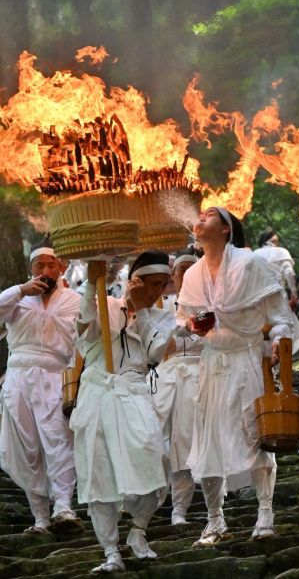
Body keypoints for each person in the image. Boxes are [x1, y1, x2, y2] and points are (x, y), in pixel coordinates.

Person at [177, 207, 295, 546]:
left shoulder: (250, 263)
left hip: (246, 358)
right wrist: (192, 326)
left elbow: (279, 315)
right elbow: (181, 324)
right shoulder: (192, 275)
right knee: (208, 440)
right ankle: (215, 519)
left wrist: (279, 345)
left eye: (209, 215)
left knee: (255, 433)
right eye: (198, 215)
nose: (199, 219)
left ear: (226, 229)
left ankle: (266, 512)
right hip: (212, 364)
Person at [71, 250, 177, 573]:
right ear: (136, 281)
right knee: (98, 470)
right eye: (155, 284)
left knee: (155, 459)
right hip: (98, 392)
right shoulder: (104, 304)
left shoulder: (160, 315)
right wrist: (92, 283)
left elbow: (158, 352)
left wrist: (143, 311)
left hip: (134, 393)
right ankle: (109, 550)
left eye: (165, 285)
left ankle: (138, 531)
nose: (160, 291)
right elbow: (85, 327)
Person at [0, 237, 81, 533]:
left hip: (55, 377)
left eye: (51, 264)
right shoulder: (16, 298)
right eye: (39, 266)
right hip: (19, 377)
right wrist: (21, 290)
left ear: (61, 267)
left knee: (58, 441)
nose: (46, 270)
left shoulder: (74, 300)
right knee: (28, 447)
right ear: (31, 268)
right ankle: (40, 519)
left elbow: (86, 338)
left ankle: (63, 506)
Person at [153, 247, 203, 525]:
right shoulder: (159, 305)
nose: (186, 275)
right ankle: (149, 499)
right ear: (172, 274)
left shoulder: (210, 302)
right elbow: (155, 345)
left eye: (191, 269)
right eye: (181, 270)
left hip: (200, 374)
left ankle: (182, 509)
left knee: (189, 442)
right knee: (160, 440)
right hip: (164, 377)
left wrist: (181, 342)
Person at [254, 229, 299, 354]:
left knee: (262, 331)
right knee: (283, 328)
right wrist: (294, 293)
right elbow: (289, 273)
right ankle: (280, 362)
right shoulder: (281, 252)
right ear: (273, 240)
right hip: (278, 297)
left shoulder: (255, 254)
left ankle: (267, 363)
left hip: (257, 298)